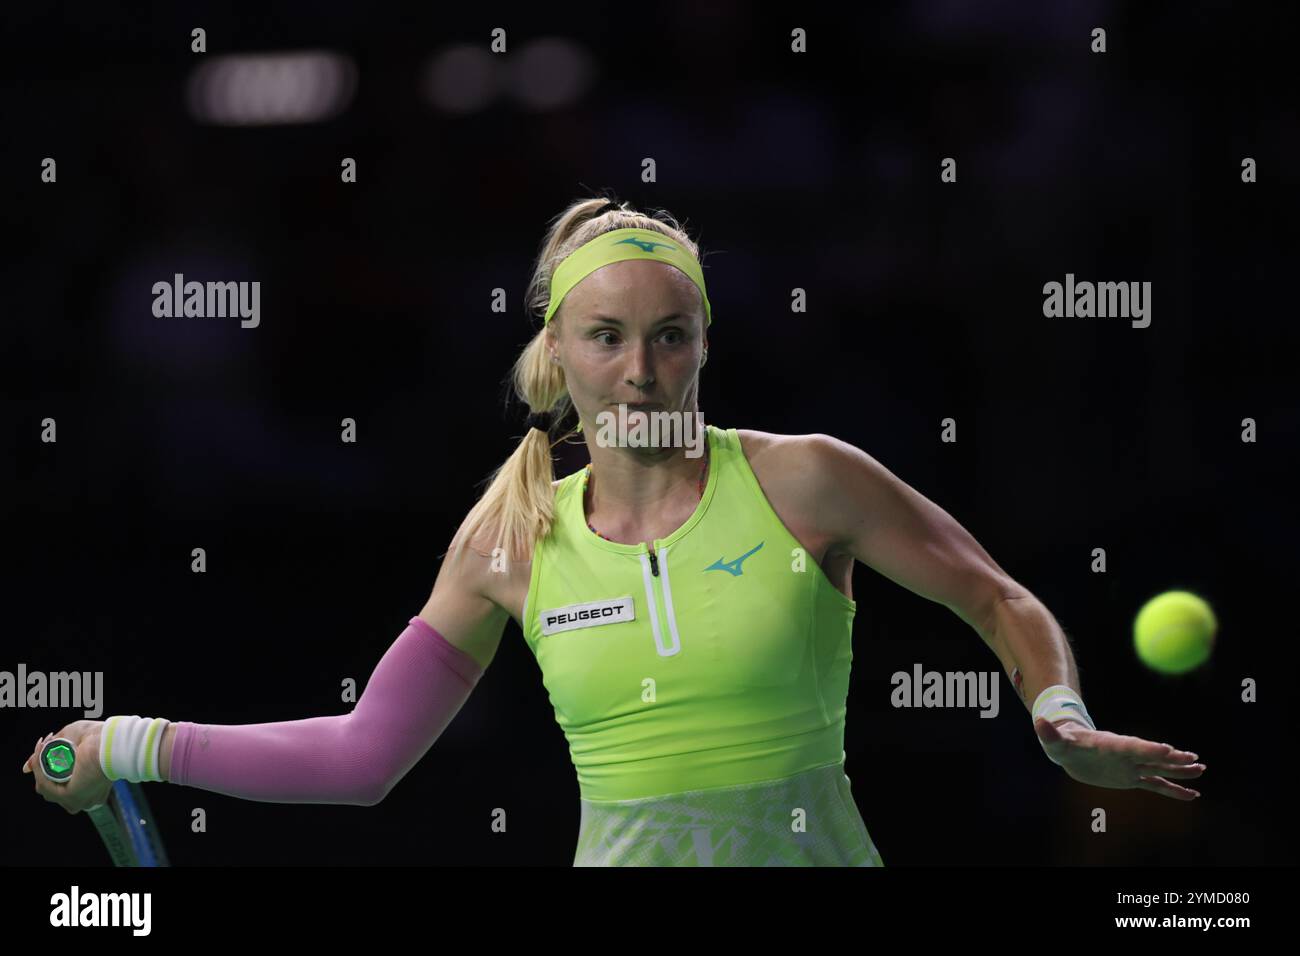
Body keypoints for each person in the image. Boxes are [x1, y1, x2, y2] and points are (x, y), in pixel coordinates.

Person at [23, 196, 1205, 866]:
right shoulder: (509, 539)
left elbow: (997, 597)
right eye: (605, 337)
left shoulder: (808, 482)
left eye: (672, 334)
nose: (642, 369)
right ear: (556, 350)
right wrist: (131, 740)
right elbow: (360, 757)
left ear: (703, 341)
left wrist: (1057, 715)